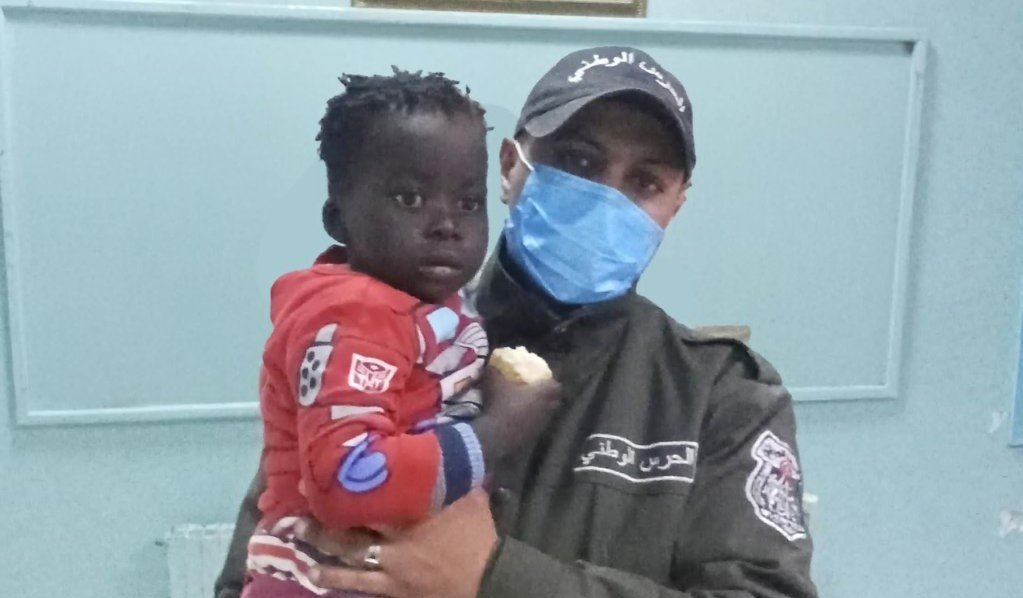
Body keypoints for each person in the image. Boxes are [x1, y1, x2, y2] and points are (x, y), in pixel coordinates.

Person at [216, 46, 818, 598]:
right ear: (510, 166)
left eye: (645, 182)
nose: (605, 198)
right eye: (578, 160)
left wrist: (494, 578)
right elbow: (252, 569)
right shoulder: (376, 332)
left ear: (675, 203)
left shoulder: (718, 393)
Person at [237, 68, 560, 597]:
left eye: (467, 203)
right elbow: (347, 478)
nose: (446, 224)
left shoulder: (425, 308)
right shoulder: (353, 317)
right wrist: (497, 431)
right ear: (337, 219)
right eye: (410, 199)